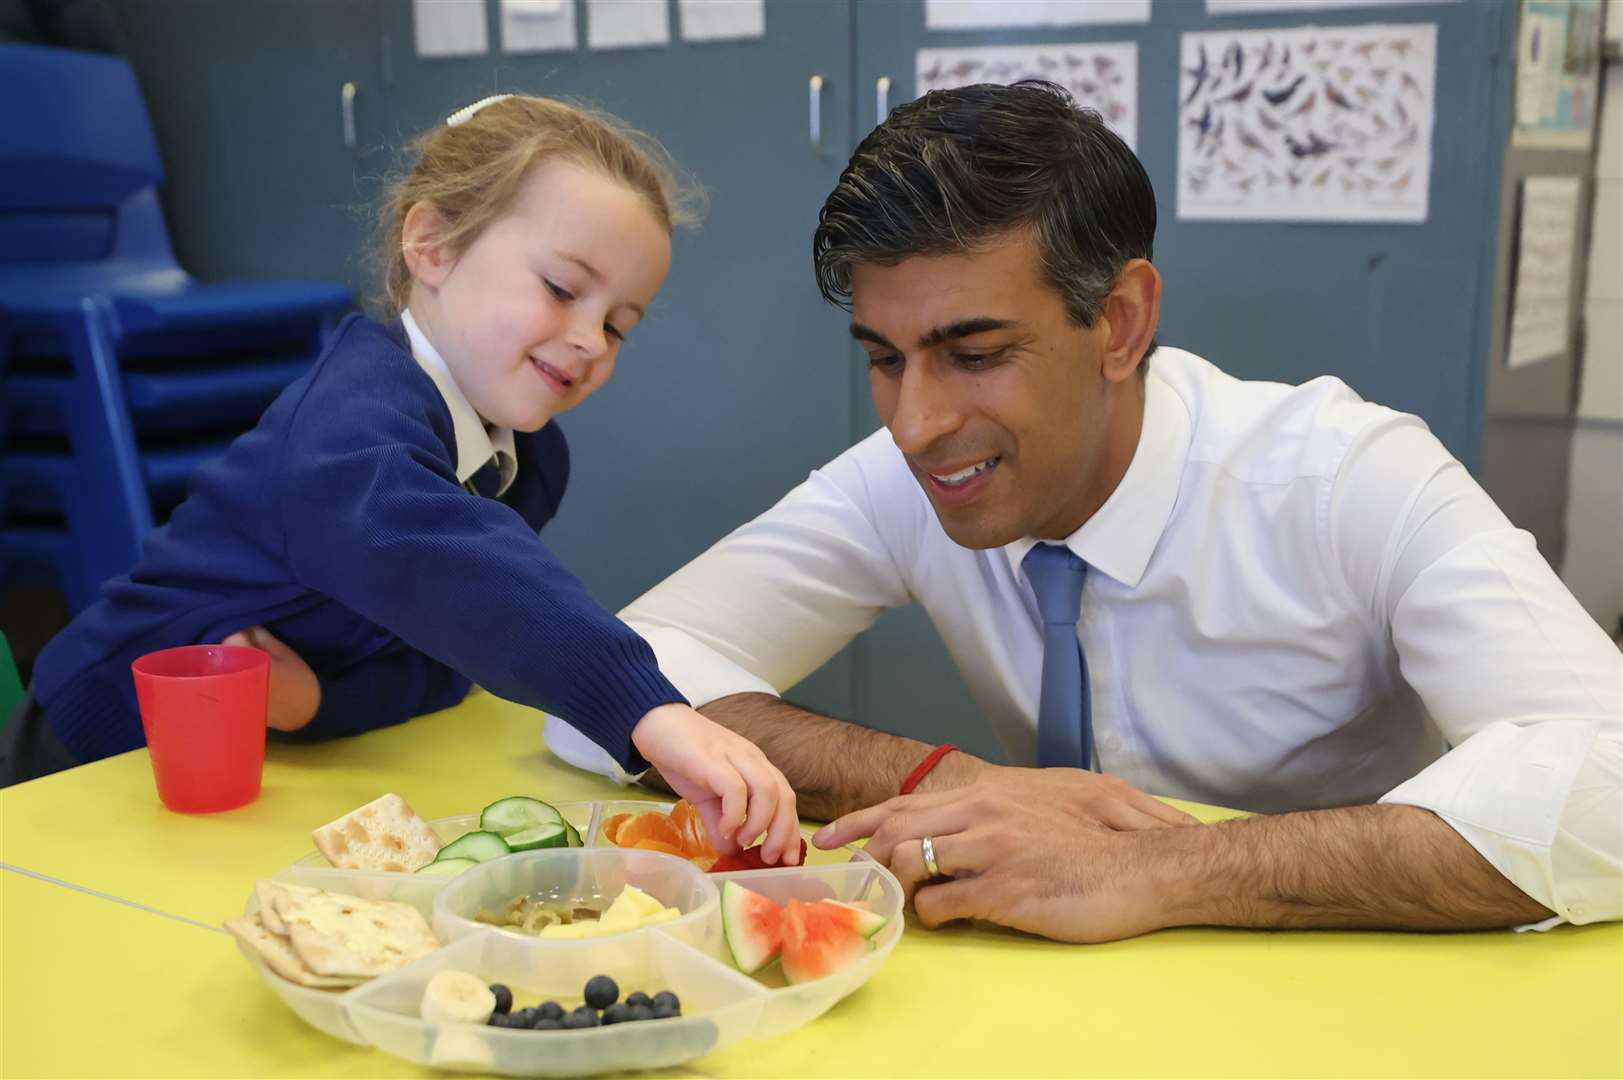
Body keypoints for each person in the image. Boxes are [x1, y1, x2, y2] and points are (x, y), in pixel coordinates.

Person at [548, 81, 1620, 940]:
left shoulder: (1347, 477)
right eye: (884, 359)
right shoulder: (912, 472)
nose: (917, 424)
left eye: (974, 355)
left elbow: (1607, 776)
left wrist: (1165, 867)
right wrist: (947, 780)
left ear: (1118, 324)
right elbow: (604, 677)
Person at [8, 93, 799, 864]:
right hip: (101, 755)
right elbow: (442, 557)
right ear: (433, 245)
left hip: (262, 776)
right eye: (561, 289)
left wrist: (321, 701)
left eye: (619, 323)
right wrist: (647, 708)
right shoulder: (347, 422)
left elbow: (436, 664)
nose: (591, 339)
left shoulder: (528, 462)